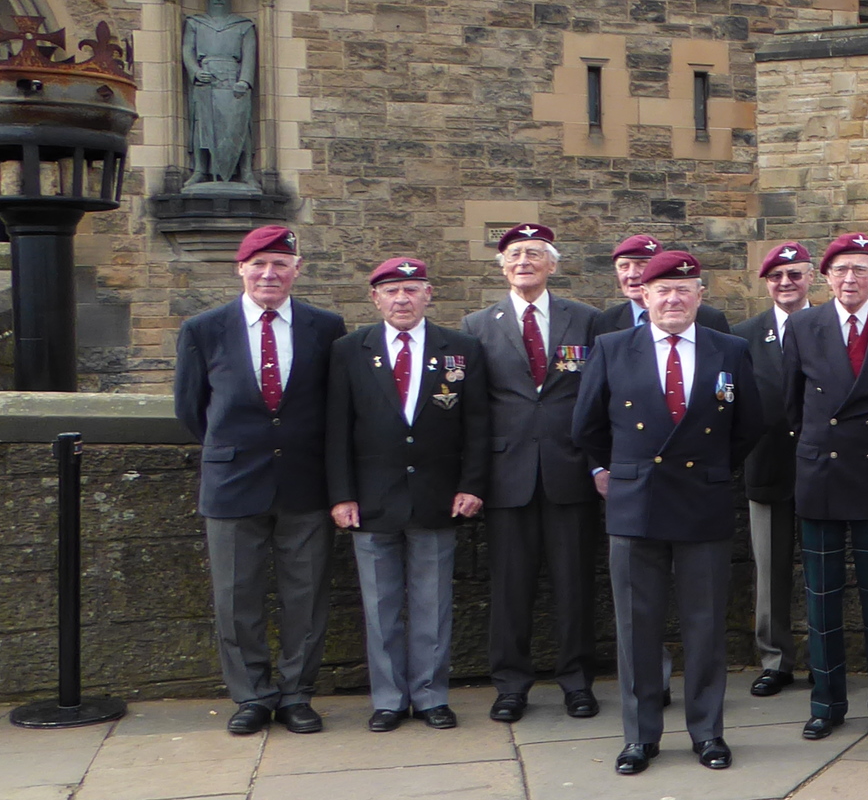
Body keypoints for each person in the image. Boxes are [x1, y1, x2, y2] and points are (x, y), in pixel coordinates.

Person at [572, 250, 761, 775]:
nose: (673, 299)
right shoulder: (611, 348)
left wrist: (711, 470)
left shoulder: (730, 349)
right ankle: (640, 737)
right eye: (662, 290)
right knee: (637, 626)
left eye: (684, 289)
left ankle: (708, 733)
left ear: (700, 295)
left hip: (702, 499)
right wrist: (623, 471)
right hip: (637, 504)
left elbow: (748, 425)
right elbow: (585, 425)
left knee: (705, 626)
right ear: (644, 295)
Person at [172, 224, 347, 737]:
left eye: (280, 264)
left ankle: (296, 695)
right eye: (259, 264)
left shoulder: (324, 326)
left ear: (296, 271)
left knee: (306, 596)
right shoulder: (204, 329)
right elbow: (190, 410)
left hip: (303, 482)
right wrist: (232, 451)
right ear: (240, 269)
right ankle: (250, 696)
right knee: (236, 597)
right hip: (232, 483)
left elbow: (334, 407)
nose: (269, 273)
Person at [326, 257, 490, 732]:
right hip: (371, 498)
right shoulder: (349, 350)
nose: (402, 299)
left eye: (411, 290)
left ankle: (431, 695)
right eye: (392, 291)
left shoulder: (461, 349)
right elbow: (336, 429)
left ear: (428, 294)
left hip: (438, 496)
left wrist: (471, 485)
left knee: (432, 604)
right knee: (380, 607)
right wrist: (341, 495)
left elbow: (477, 425)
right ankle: (389, 700)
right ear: (375, 298)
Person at [781, 232, 868, 742]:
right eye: (841, 269)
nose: (850, 279)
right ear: (826, 277)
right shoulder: (802, 326)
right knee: (822, 601)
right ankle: (827, 703)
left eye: (861, 269)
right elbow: (790, 404)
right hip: (820, 474)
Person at [462, 222, 601, 723]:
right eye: (515, 254)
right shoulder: (477, 325)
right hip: (507, 474)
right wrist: (472, 481)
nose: (524, 261)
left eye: (535, 253)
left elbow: (597, 398)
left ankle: (577, 682)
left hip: (570, 471)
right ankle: (511, 684)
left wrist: (598, 463)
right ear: (502, 266)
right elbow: (473, 411)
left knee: (575, 584)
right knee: (510, 588)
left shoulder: (585, 320)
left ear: (553, 264)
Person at [732, 241, 815, 699]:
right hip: (766, 465)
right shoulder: (743, 335)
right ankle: (775, 659)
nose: (786, 283)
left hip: (821, 468)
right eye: (777, 277)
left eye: (795, 275)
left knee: (822, 572)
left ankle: (824, 657)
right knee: (770, 570)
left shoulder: (829, 325)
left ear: (809, 279)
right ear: (766, 283)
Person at [590, 232, 728, 338]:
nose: (632, 274)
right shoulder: (606, 321)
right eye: (624, 266)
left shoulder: (710, 319)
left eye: (642, 265)